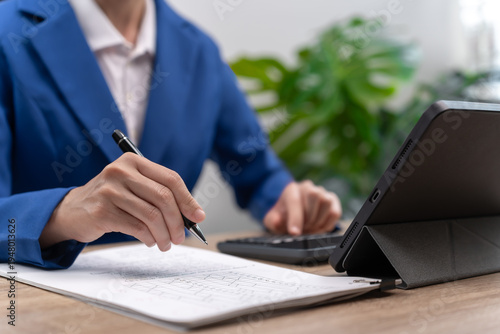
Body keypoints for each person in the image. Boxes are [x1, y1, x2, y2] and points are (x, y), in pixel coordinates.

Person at [0, 0, 341, 269]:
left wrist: (290, 204)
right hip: (37, 303)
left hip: (170, 297)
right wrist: (64, 212)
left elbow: (258, 172)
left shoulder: (199, 50)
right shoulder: (8, 32)